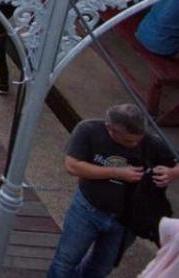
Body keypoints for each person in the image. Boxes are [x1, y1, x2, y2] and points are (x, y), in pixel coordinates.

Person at [48, 103, 179, 278]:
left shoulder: (151, 142)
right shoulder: (88, 130)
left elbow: (175, 162)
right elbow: (72, 166)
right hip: (86, 210)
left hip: (126, 220)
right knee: (65, 261)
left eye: (138, 140)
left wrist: (172, 173)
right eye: (127, 141)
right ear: (109, 128)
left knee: (101, 268)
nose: (134, 144)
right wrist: (117, 172)